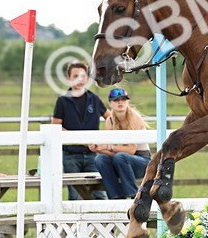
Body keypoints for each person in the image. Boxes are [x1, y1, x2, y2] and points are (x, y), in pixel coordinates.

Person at [51, 60, 110, 200]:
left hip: (93, 154)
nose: (79, 79)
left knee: (99, 192)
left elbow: (110, 118)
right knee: (75, 194)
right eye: (75, 76)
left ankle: (101, 221)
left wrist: (105, 141)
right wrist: (79, 140)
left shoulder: (94, 99)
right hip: (71, 155)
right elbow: (56, 127)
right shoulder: (63, 101)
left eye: (83, 76)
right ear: (69, 78)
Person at [91, 87, 152, 200]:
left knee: (121, 156)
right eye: (116, 100)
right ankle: (116, 197)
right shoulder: (109, 120)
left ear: (128, 102)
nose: (120, 102)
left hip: (142, 161)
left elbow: (131, 150)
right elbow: (113, 153)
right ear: (110, 103)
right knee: (100, 159)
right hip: (121, 161)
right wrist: (100, 149)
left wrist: (109, 147)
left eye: (123, 99)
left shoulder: (134, 117)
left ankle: (134, 196)